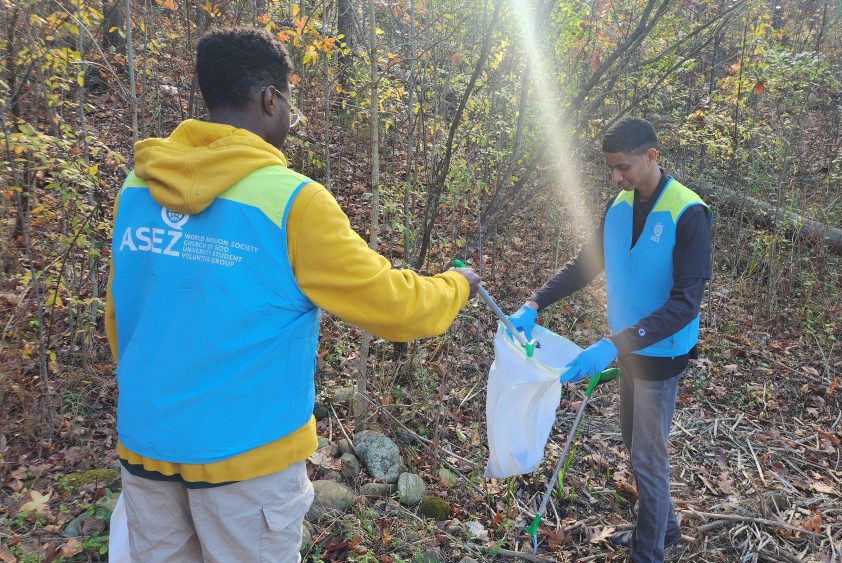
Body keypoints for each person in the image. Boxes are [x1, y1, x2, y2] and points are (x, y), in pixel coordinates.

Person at [104, 27, 480, 562]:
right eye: (289, 105)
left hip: (146, 444)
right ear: (268, 98)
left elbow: (120, 315)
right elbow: (397, 307)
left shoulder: (137, 188)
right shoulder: (293, 203)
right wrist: (456, 285)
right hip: (245, 463)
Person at [508, 117, 711, 563]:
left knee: (647, 459)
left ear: (651, 156)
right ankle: (667, 526)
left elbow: (686, 304)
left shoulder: (687, 211)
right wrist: (536, 303)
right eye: (611, 169)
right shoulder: (619, 206)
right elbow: (586, 263)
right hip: (627, 349)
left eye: (624, 167)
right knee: (634, 443)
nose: (617, 177)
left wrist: (616, 343)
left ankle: (649, 551)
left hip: (659, 354)